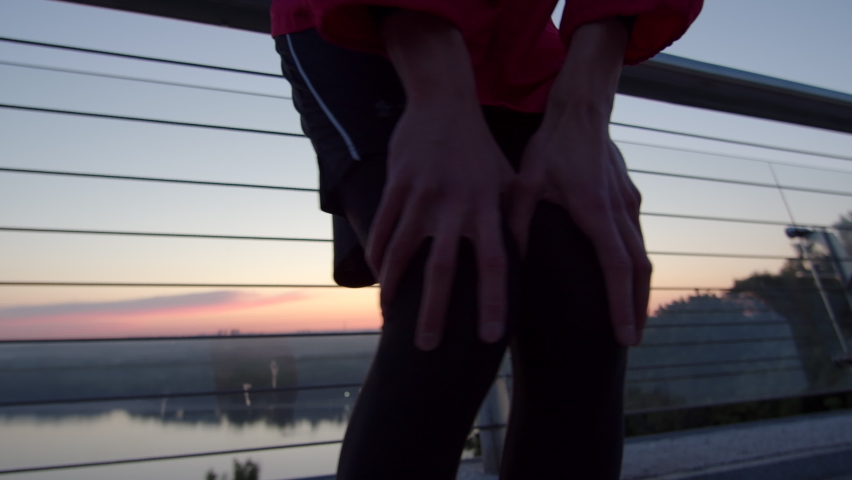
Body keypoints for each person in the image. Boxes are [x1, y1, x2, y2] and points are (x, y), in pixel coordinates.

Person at [271, 0, 702, 478]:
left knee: (586, 282)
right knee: (454, 280)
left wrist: (585, 114)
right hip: (366, 22)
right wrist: (439, 98)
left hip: (520, 38)